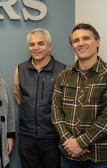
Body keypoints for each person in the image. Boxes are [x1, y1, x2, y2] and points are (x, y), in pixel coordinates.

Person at [51, 23, 107, 168]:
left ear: (97, 42)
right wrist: (69, 142)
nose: (81, 43)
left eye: (86, 38)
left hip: (101, 158)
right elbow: (55, 110)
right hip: (69, 156)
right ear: (72, 45)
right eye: (76, 40)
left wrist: (80, 143)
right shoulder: (64, 74)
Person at [13, 28, 66, 168]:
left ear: (49, 46)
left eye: (40, 43)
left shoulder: (63, 71)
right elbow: (19, 97)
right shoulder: (20, 69)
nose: (35, 48)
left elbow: (65, 104)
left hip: (52, 136)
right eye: (32, 44)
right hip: (26, 136)